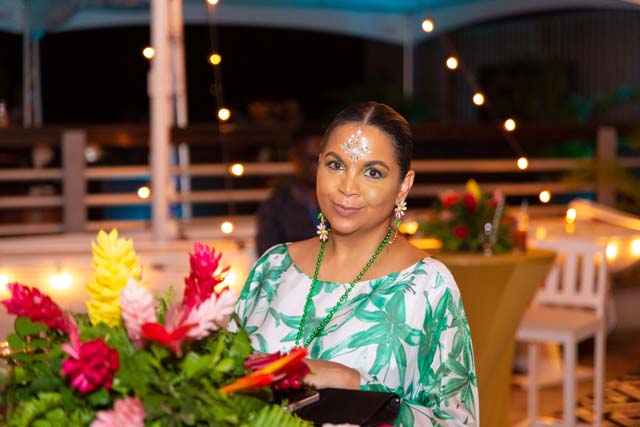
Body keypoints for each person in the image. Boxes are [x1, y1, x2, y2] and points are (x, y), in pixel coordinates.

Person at [236, 102, 479, 426]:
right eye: (336, 165)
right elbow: (219, 383)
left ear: (403, 186)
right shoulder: (275, 267)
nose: (347, 188)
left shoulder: (426, 285)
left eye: (372, 172)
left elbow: (457, 422)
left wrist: (352, 382)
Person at [255, 129, 324, 255]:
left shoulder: (342, 199)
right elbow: (269, 257)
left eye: (321, 159)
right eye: (310, 159)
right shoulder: (276, 206)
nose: (316, 166)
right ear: (294, 157)